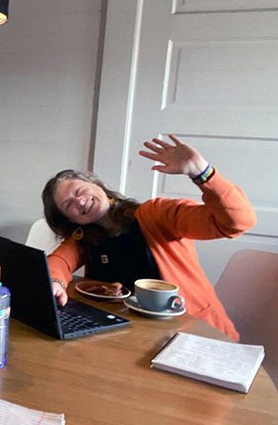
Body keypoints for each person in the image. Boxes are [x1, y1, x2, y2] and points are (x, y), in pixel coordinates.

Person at [42, 134, 256, 340]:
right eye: (68, 205)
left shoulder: (157, 214)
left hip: (194, 334)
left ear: (96, 185)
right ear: (69, 220)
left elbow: (237, 222)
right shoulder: (83, 238)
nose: (79, 202)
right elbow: (58, 261)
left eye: (79, 191)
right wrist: (55, 282)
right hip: (131, 336)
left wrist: (203, 172)